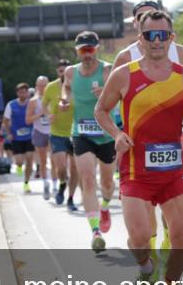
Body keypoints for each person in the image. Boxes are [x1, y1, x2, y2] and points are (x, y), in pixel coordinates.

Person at [94, 9, 183, 285]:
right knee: (139, 237)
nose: (157, 41)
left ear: (171, 38)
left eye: (163, 35)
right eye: (150, 35)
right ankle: (146, 271)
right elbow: (101, 111)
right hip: (136, 170)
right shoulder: (124, 74)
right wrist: (117, 134)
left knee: (182, 238)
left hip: (173, 169)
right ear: (141, 38)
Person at [61, 31, 117, 252]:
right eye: (83, 50)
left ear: (97, 48)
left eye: (90, 49)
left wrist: (105, 93)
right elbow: (66, 87)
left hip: (105, 133)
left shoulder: (107, 70)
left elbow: (119, 97)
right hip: (81, 132)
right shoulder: (70, 72)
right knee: (87, 178)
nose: (87, 54)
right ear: (77, 51)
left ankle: (104, 207)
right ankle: (95, 232)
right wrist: (65, 100)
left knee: (107, 184)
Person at [44, 59, 79, 209]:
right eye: (61, 71)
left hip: (75, 132)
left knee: (75, 168)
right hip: (57, 132)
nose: (64, 73)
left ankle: (70, 199)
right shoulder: (51, 87)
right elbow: (44, 105)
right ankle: (62, 185)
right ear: (57, 72)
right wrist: (48, 115)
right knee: (61, 168)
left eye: (66, 70)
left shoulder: (78, 86)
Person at [3, 83, 36, 193]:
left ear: (27, 93)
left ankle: (26, 183)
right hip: (16, 137)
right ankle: (19, 166)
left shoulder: (32, 104)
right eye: (20, 92)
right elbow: (6, 120)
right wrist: (8, 133)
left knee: (30, 159)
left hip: (29, 136)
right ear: (17, 93)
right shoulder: (11, 105)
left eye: (25, 92)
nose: (23, 94)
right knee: (19, 161)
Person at [26, 75, 54, 199]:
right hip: (39, 132)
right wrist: (40, 114)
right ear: (36, 86)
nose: (42, 88)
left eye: (45, 85)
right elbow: (27, 120)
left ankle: (56, 185)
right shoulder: (33, 101)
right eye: (40, 85)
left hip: (53, 132)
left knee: (54, 160)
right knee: (43, 161)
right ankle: (45, 184)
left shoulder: (54, 98)